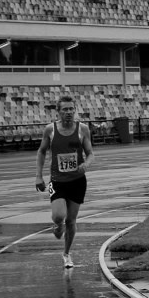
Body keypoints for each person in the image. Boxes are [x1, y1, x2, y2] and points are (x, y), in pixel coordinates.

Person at [34, 93, 94, 269]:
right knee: (59, 216)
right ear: (58, 112)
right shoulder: (50, 130)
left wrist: (86, 164)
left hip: (77, 181)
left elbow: (90, 153)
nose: (69, 112)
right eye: (65, 109)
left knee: (71, 221)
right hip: (58, 181)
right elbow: (41, 152)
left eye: (71, 109)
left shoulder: (82, 129)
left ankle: (67, 254)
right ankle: (57, 224)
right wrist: (38, 175)